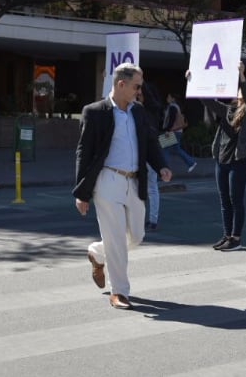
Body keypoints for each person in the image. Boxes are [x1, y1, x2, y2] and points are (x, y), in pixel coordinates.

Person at [73, 62, 172, 310]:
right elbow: (83, 152)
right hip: (107, 181)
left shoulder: (138, 112)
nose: (140, 91)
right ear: (121, 84)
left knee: (136, 236)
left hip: (134, 180)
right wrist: (82, 192)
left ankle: (97, 252)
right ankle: (120, 292)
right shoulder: (95, 112)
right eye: (137, 86)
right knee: (116, 238)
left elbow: (150, 142)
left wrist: (161, 165)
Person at [187, 62, 246, 251]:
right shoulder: (228, 110)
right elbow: (209, 102)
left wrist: (242, 76)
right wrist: (192, 82)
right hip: (222, 160)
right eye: (241, 89)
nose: (242, 92)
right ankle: (227, 235)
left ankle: (236, 238)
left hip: (239, 161)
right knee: (224, 200)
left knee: (236, 200)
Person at [137, 83, 165, 232]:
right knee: (141, 188)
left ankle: (152, 219)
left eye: (140, 93)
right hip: (139, 153)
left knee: (151, 187)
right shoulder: (134, 108)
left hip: (149, 153)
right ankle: (144, 219)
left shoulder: (149, 110)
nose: (137, 95)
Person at [162, 92, 198, 173]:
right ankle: (191, 162)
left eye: (168, 96)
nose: (167, 98)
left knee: (165, 150)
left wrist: (167, 130)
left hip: (172, 131)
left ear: (173, 98)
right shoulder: (176, 106)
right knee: (176, 149)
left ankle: (164, 172)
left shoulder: (172, 107)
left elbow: (171, 120)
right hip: (177, 131)